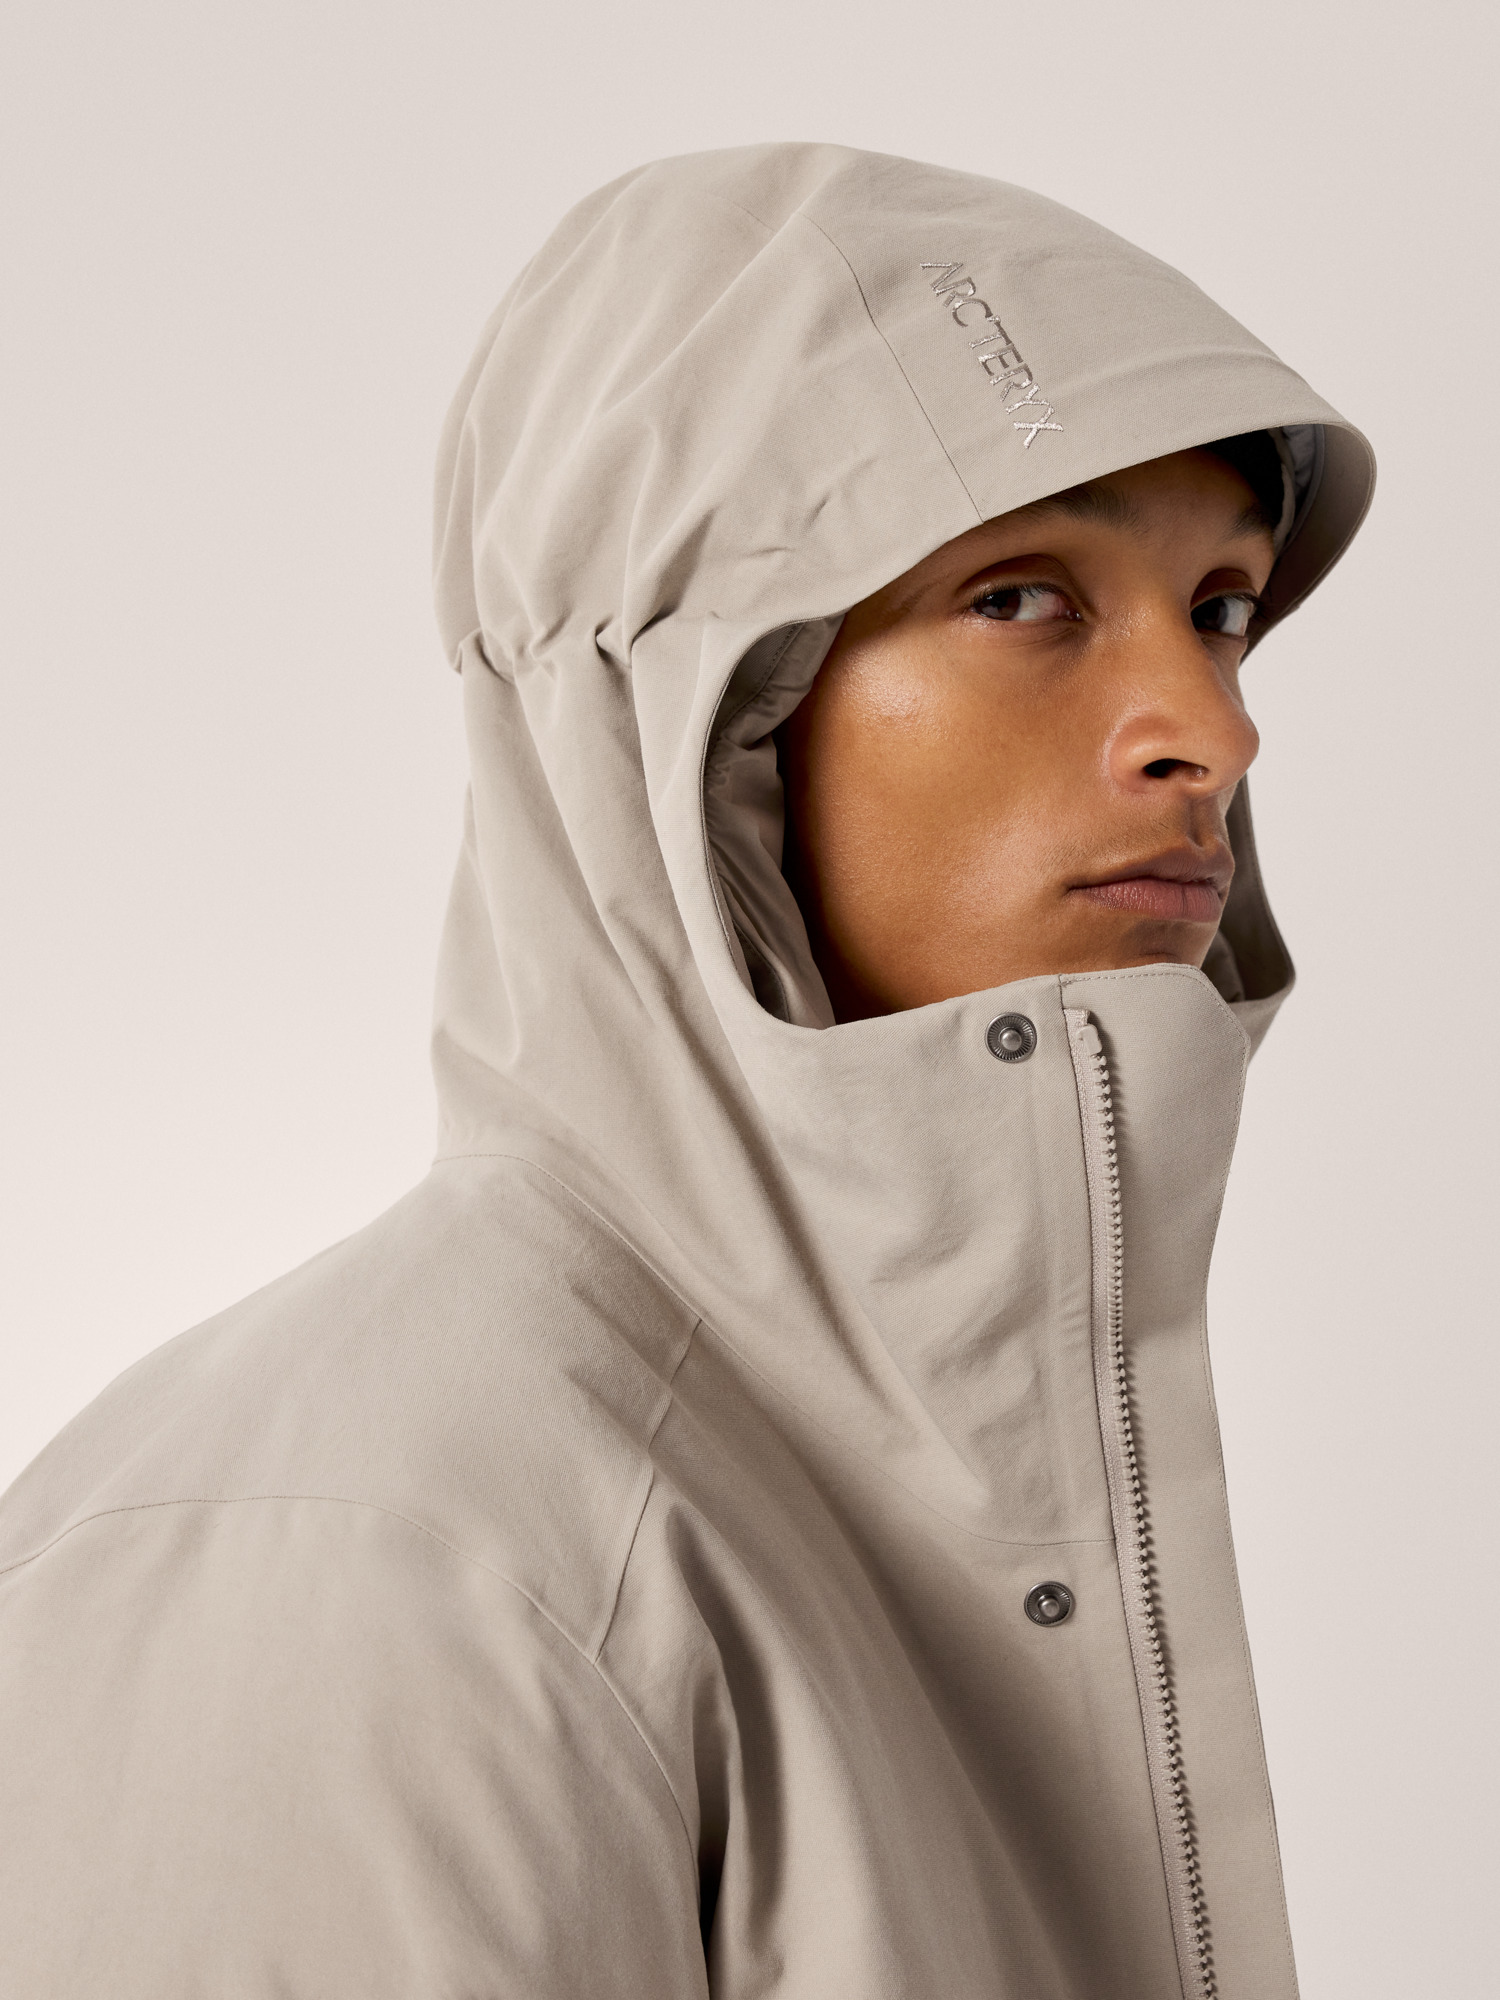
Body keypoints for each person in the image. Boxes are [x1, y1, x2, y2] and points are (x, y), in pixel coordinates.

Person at [0, 144, 1372, 1997]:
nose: (1213, 727)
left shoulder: (891, 1478)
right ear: (694, 718)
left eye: (1220, 607)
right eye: (1022, 597)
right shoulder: (394, 1564)